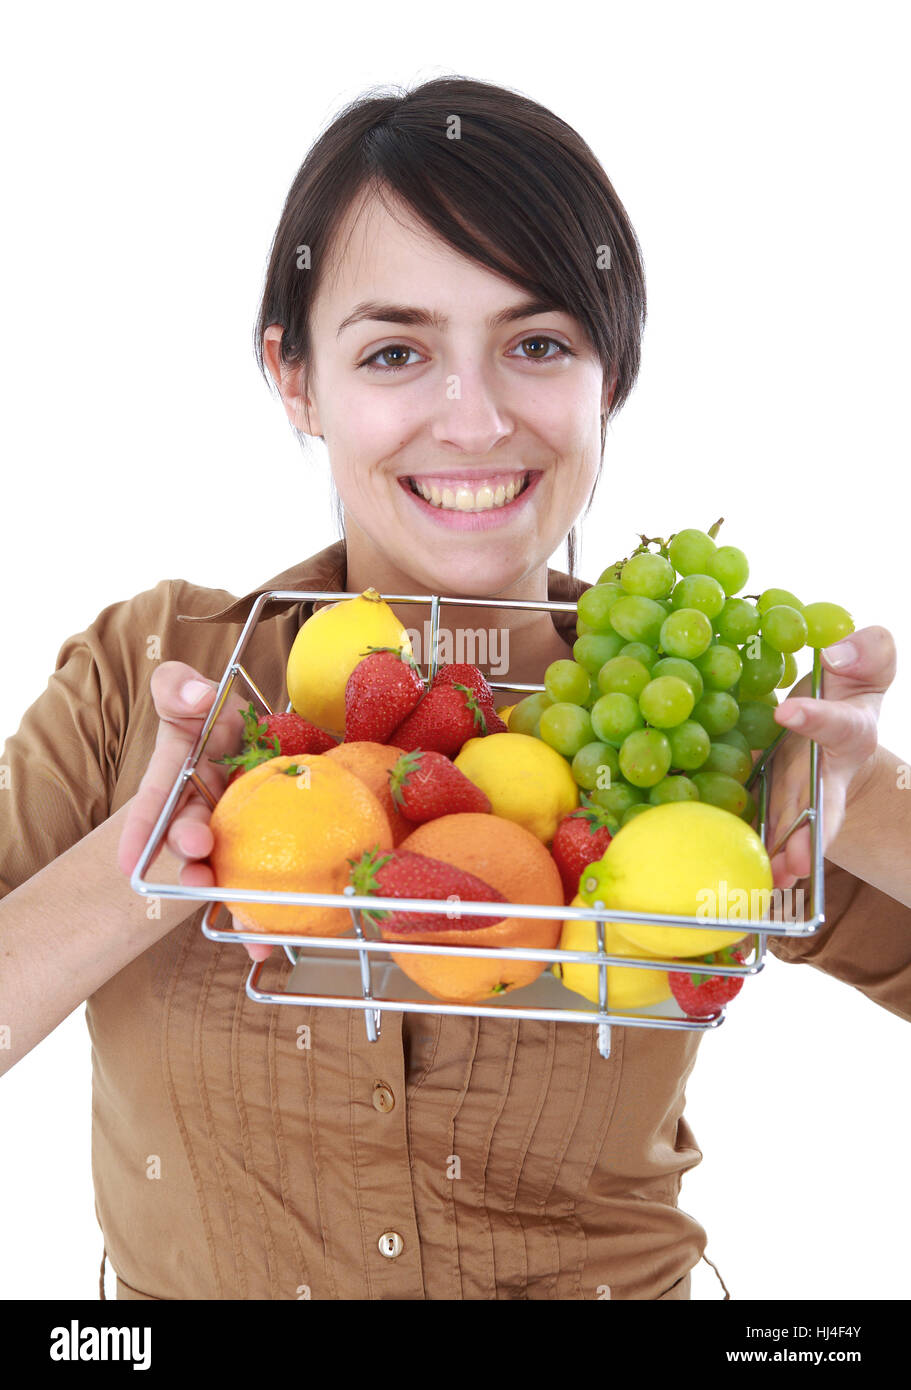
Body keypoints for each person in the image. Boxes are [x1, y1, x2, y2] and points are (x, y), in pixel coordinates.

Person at [1, 75, 907, 1302]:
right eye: (393, 351)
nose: (472, 419)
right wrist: (147, 857)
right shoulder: (150, 671)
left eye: (537, 344)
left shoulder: (697, 723)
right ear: (295, 379)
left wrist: (866, 800)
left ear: (610, 375)